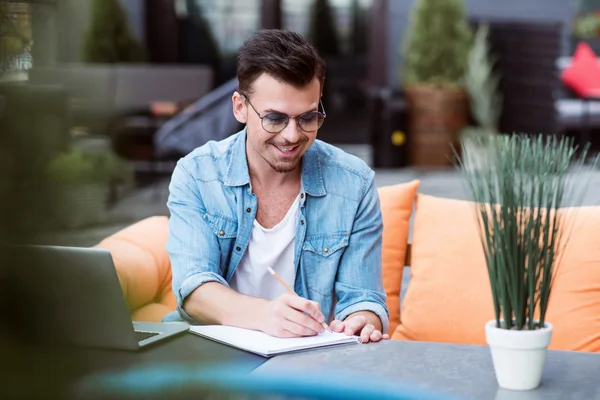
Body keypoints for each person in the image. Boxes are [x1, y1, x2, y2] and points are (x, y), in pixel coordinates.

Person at [164, 29, 389, 343]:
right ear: (239, 107)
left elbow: (364, 297)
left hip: (307, 364)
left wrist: (361, 321)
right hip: (212, 358)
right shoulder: (197, 174)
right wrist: (265, 315)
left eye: (308, 117)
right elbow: (193, 289)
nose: (292, 136)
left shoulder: (354, 183)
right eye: (274, 118)